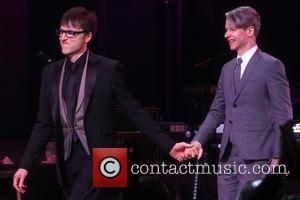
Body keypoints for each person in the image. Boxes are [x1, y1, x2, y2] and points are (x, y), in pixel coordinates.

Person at [13, 7, 191, 200]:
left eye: (71, 33)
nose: (63, 37)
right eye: (61, 32)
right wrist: (25, 165)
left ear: (87, 37)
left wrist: (169, 145)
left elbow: (135, 112)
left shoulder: (108, 69)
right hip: (67, 160)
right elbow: (43, 124)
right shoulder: (50, 73)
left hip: (106, 156)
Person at [184, 6, 293, 200]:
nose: (226, 34)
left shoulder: (271, 66)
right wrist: (198, 141)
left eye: (232, 29)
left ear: (249, 30)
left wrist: (278, 158)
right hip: (227, 158)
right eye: (226, 29)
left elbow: (283, 116)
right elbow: (217, 110)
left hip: (257, 158)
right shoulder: (227, 69)